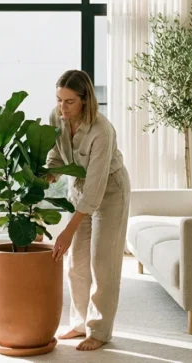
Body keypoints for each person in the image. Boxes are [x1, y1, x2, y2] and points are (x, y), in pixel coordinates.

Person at [46, 69, 131, 352]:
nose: (62, 107)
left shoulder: (102, 131)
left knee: (102, 264)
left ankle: (99, 330)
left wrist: (67, 231)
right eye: (59, 99)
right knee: (77, 265)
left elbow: (96, 189)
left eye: (69, 101)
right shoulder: (56, 118)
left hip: (110, 193)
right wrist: (46, 176)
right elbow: (57, 155)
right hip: (80, 191)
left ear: (85, 99)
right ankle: (80, 322)